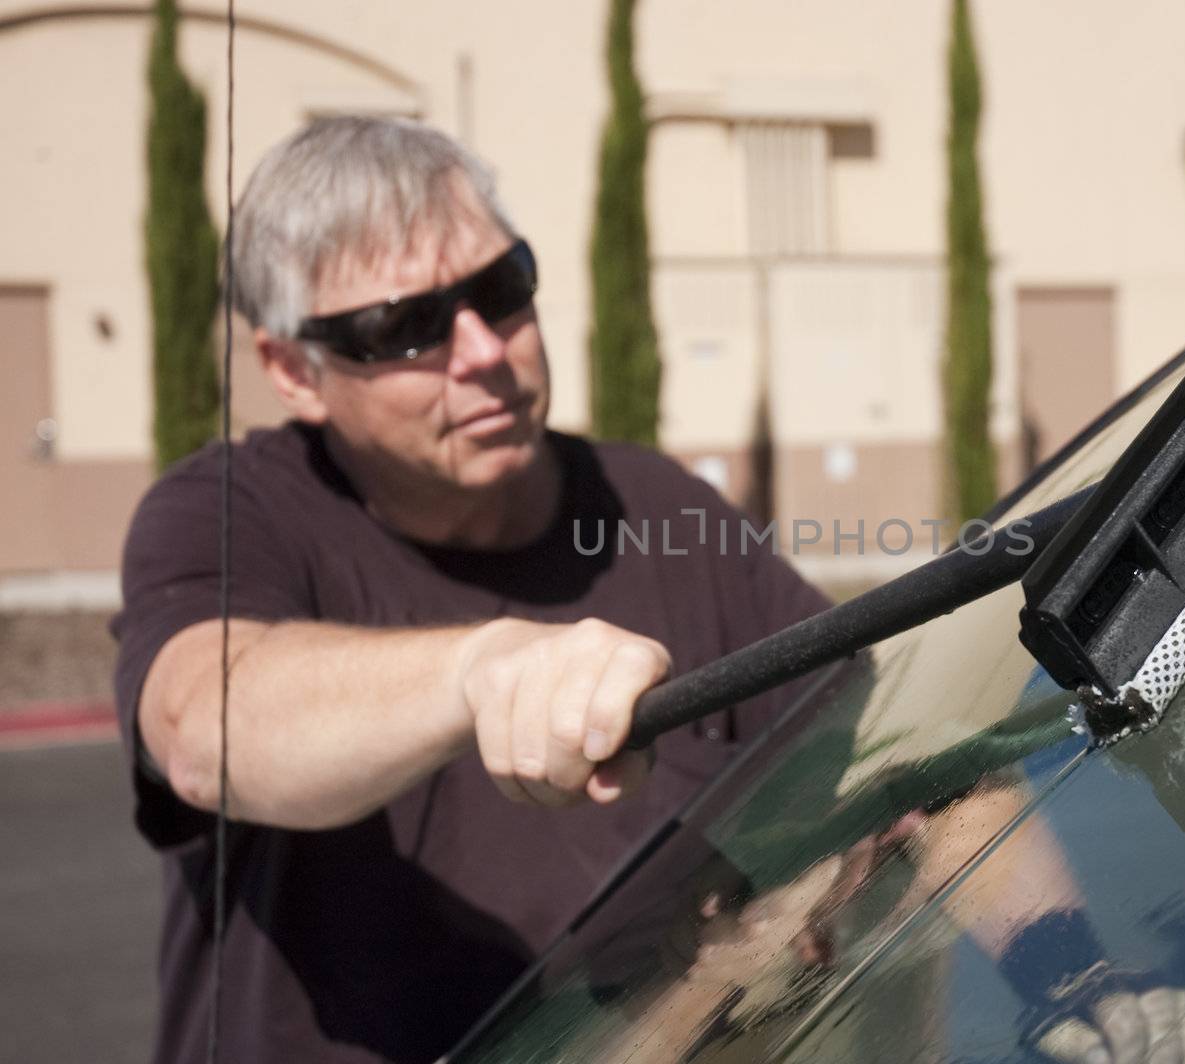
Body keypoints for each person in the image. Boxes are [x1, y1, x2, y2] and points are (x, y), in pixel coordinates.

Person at [110, 116, 830, 1064]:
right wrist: (485, 665)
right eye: (404, 329)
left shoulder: (657, 504)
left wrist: (1052, 978)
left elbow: (897, 754)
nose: (483, 352)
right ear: (294, 371)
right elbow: (207, 729)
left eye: (501, 291)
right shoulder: (225, 512)